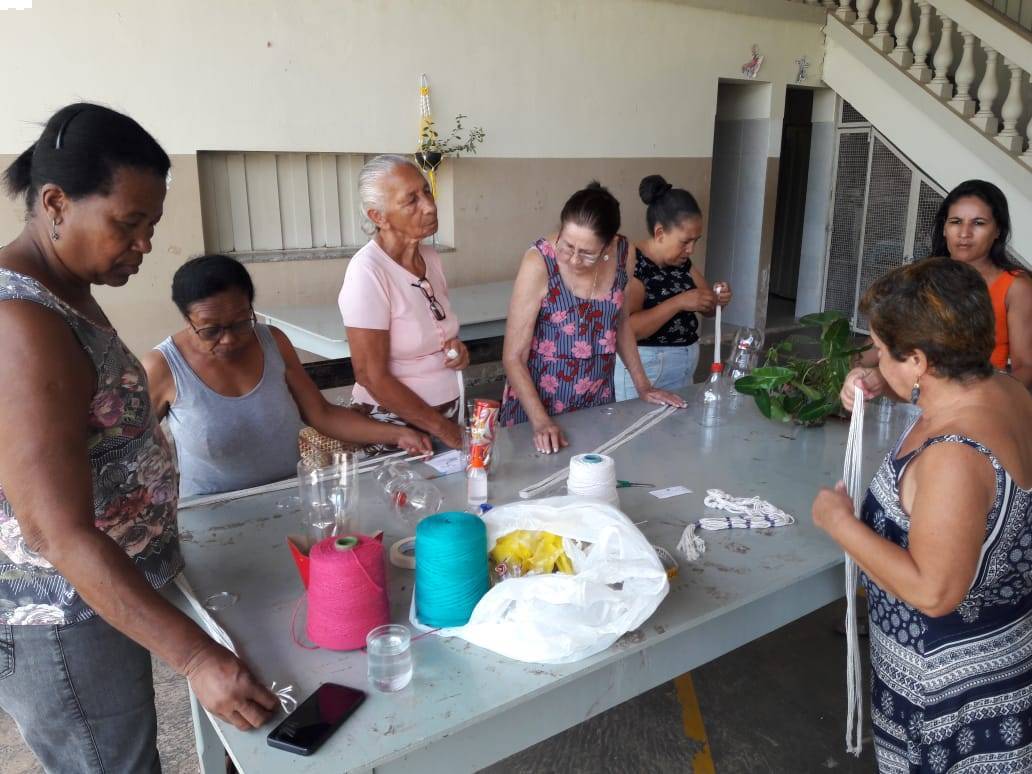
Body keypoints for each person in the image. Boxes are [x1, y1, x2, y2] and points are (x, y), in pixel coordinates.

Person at [0, 104, 277, 772]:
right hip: (64, 620)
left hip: (103, 597)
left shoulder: (61, 289)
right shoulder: (21, 325)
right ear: (56, 204)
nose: (145, 244)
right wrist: (195, 657)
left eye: (151, 225)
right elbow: (55, 532)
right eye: (128, 224)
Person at [814, 257, 1032, 772]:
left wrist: (838, 522)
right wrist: (878, 379)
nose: (874, 356)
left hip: (948, 698)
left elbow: (935, 591)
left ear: (918, 360)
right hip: (1002, 658)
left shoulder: (954, 456)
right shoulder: (1007, 392)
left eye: (880, 348)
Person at [143, 255, 430, 498]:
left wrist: (399, 434)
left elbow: (322, 414)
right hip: (210, 510)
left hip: (289, 496)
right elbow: (134, 452)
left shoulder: (273, 342)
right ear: (186, 319)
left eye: (241, 323)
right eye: (210, 330)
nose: (228, 339)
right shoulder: (163, 367)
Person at [499, 182, 685, 454]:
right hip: (538, 407)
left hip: (596, 399)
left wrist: (643, 386)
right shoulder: (540, 262)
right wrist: (541, 422)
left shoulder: (624, 254)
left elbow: (620, 321)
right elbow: (513, 356)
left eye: (587, 253)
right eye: (567, 246)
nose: (574, 260)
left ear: (608, 244)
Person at [338, 155, 469, 451]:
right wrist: (445, 431)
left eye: (427, 191)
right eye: (411, 200)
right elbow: (370, 375)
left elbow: (435, 332)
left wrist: (457, 351)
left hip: (446, 414)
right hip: (397, 428)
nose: (429, 206)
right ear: (378, 217)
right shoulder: (367, 272)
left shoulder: (430, 259)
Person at [853, 180, 1031, 389]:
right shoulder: (922, 276)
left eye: (978, 223)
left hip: (977, 399)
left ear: (998, 230)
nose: (964, 233)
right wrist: (851, 373)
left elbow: (1026, 367)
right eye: (956, 221)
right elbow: (883, 340)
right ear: (944, 228)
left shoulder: (1016, 286)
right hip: (915, 396)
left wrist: (985, 398)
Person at [615, 175, 732, 400]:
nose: (691, 249)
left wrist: (719, 298)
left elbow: (707, 307)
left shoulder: (682, 262)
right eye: (685, 241)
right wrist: (679, 302)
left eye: (696, 241)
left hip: (683, 369)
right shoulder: (634, 262)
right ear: (660, 233)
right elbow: (629, 328)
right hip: (646, 370)